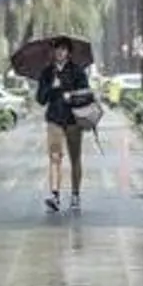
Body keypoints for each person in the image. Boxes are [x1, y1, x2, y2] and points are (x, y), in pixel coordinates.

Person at [36, 36, 90, 212]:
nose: (59, 52)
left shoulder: (77, 71)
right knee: (54, 157)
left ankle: (75, 195)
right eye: (57, 49)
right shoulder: (47, 73)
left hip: (73, 120)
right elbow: (40, 99)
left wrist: (71, 95)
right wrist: (52, 87)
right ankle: (55, 195)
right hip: (54, 119)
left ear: (68, 52)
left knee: (75, 159)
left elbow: (86, 94)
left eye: (63, 49)